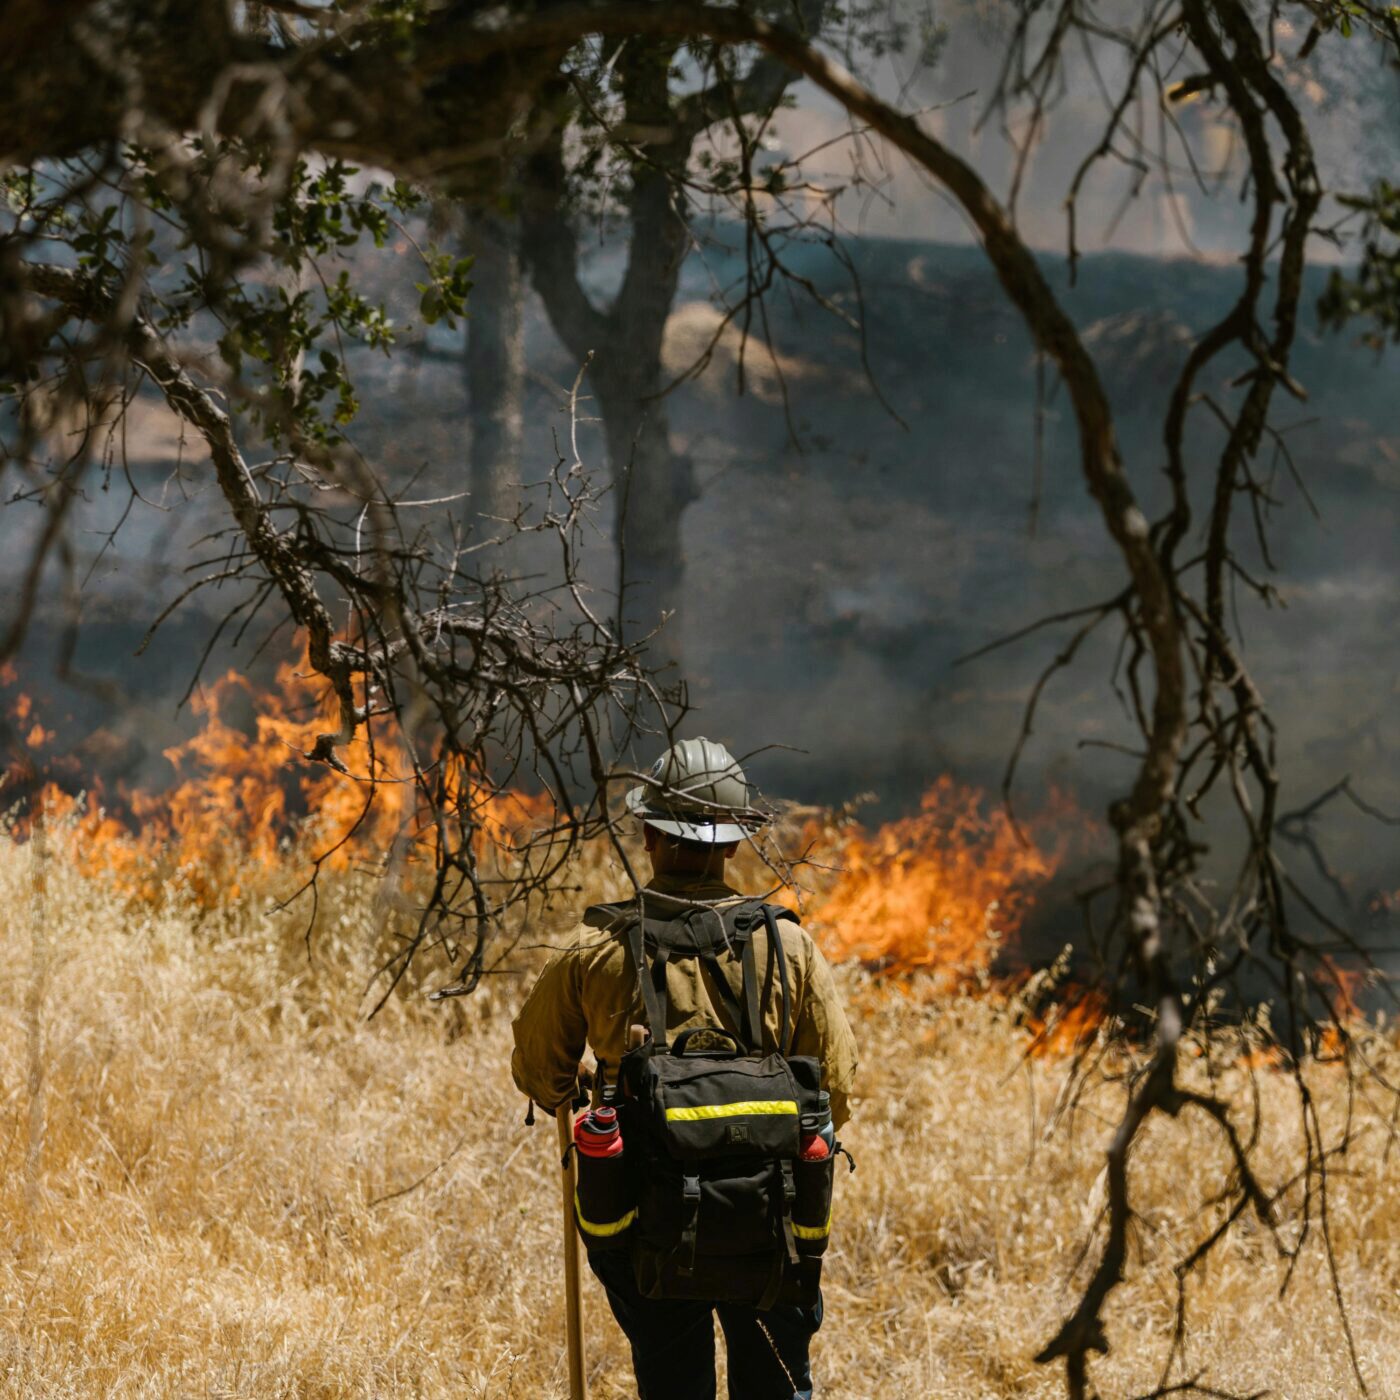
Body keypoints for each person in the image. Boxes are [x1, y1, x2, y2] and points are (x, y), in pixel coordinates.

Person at [511, 736, 858, 1400]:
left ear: (647, 834)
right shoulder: (789, 946)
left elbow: (538, 1073)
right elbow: (836, 1089)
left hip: (647, 1223)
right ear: (732, 843)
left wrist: (585, 1083)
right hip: (771, 1221)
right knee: (777, 1387)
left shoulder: (598, 948)